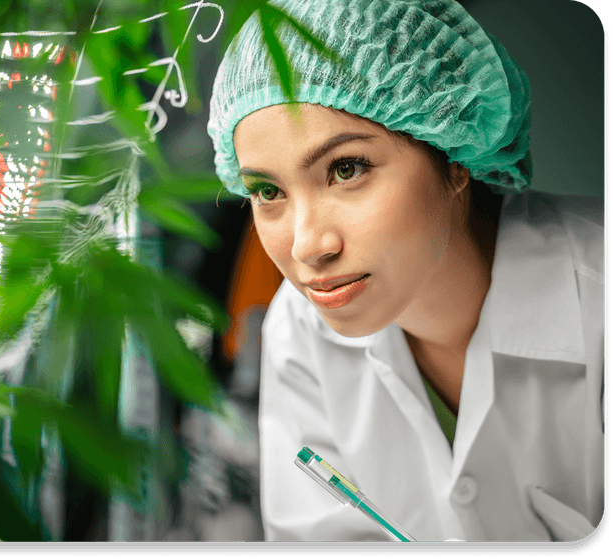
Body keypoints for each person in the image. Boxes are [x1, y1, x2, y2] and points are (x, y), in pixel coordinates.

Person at [206, 0, 604, 542]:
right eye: (267, 192)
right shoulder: (299, 330)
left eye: (347, 169)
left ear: (453, 149)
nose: (307, 246)